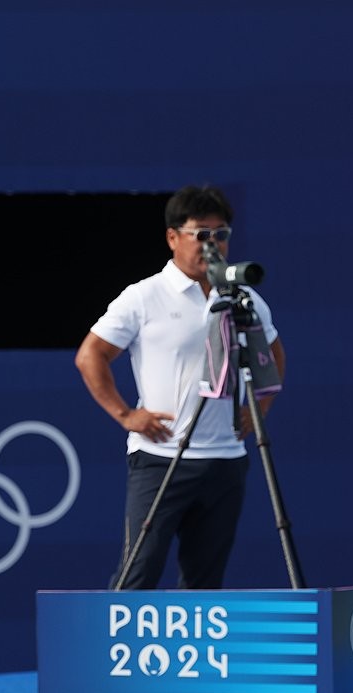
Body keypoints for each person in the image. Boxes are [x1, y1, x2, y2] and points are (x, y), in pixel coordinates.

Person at [75, 184, 285, 590]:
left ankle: (194, 655)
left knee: (205, 583)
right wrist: (126, 414)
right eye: (201, 235)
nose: (213, 245)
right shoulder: (143, 297)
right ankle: (112, 654)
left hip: (225, 460)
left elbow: (273, 354)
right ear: (173, 237)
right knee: (139, 574)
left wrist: (260, 408)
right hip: (160, 457)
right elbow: (90, 355)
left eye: (221, 234)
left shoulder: (243, 297)